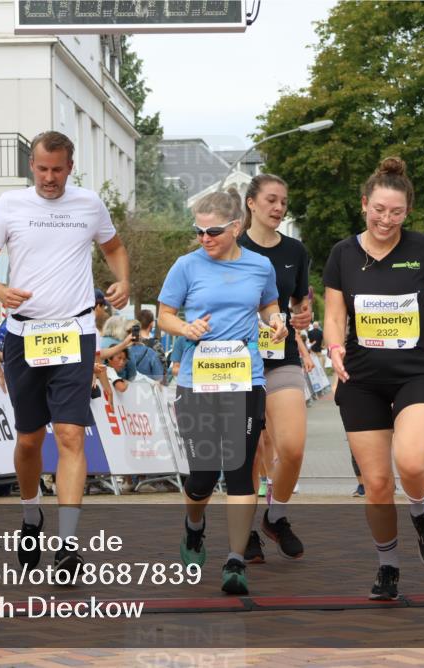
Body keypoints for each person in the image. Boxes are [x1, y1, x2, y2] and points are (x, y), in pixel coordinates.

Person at [0, 131, 130, 576]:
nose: (49, 178)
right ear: (32, 167)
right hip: (24, 335)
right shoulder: (10, 204)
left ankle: (67, 545)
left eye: (57, 170)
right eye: (41, 169)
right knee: (28, 440)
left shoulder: (89, 204)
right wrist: (1, 289)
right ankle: (30, 514)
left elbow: (114, 247)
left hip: (75, 332)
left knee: (70, 436)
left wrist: (123, 281)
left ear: (70, 167)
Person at [323, 157, 424, 601]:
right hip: (361, 379)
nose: (386, 219)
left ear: (407, 213)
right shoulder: (343, 253)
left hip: (416, 372)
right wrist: (335, 348)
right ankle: (388, 566)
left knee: (414, 462)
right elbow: (335, 313)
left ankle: (420, 511)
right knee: (377, 484)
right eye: (379, 209)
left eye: (396, 212)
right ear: (365, 204)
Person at [157, 190, 286, 596]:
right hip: (198, 381)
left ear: (236, 227)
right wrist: (185, 329)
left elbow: (269, 307)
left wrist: (276, 322)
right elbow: (164, 315)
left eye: (213, 231)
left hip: (245, 377)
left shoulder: (260, 266)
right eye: (198, 231)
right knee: (202, 477)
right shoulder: (186, 266)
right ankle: (194, 526)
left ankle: (234, 560)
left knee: (239, 469)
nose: (204, 238)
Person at [237, 174, 312, 562]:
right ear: (251, 203)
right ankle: (246, 532)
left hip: (281, 357)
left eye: (283, 201)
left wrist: (302, 316)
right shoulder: (232, 246)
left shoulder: (295, 251)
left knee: (293, 447)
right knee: (248, 452)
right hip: (236, 360)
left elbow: (300, 303)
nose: (278, 208)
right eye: (270, 200)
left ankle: (276, 515)